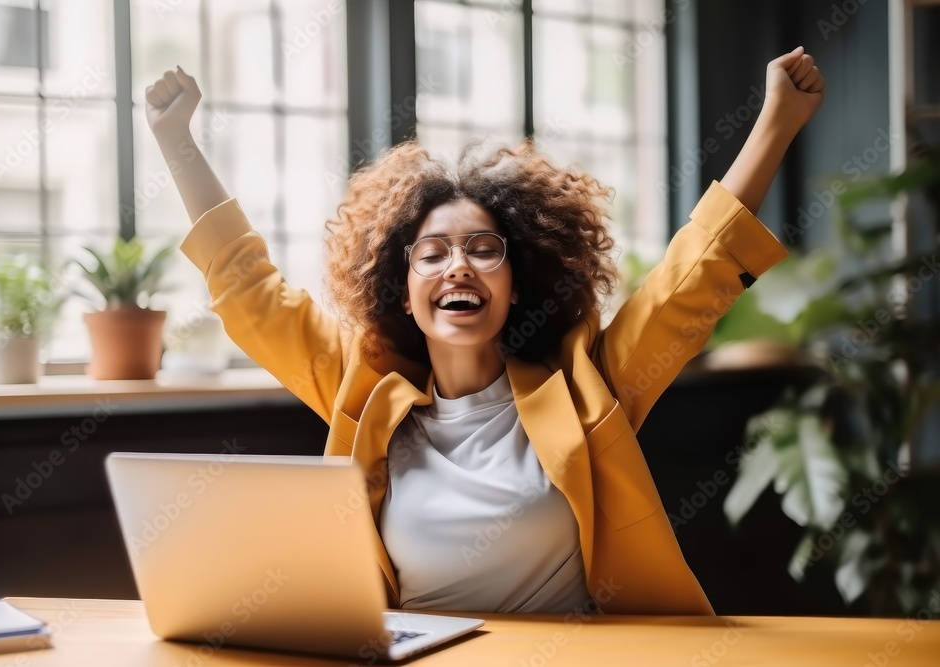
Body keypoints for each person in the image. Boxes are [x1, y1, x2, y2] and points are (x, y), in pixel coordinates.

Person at [145, 46, 824, 615]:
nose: (458, 266)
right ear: (403, 292)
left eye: (483, 248)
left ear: (518, 280)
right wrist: (177, 142)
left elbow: (689, 285)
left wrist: (776, 122)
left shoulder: (587, 392)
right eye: (432, 253)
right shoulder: (366, 394)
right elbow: (251, 291)